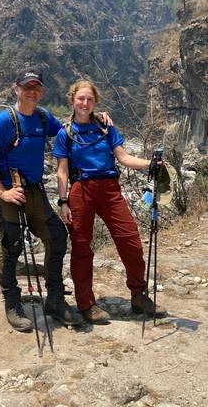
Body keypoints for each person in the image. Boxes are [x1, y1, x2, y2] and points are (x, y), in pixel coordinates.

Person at [0, 66, 85, 331]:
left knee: (57, 236)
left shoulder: (42, 117)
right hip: (11, 192)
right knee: (12, 245)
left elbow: (67, 130)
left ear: (41, 91)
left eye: (36, 88)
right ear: (17, 89)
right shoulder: (4, 121)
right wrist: (2, 192)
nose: (32, 92)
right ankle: (13, 304)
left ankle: (55, 300)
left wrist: (92, 116)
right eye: (27, 87)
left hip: (35, 191)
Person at [52, 79, 166, 324]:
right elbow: (62, 171)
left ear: (95, 102)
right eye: (80, 98)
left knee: (130, 240)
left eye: (90, 99)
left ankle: (138, 295)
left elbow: (123, 158)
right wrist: (63, 202)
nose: (85, 103)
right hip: (81, 190)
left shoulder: (106, 127)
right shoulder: (65, 133)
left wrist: (150, 164)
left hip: (110, 190)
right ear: (72, 100)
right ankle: (87, 304)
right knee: (82, 248)